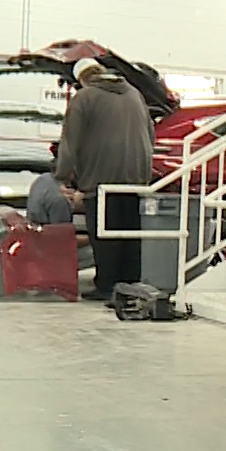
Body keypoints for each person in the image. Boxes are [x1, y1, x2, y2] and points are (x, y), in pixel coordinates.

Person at [54, 58, 153, 300]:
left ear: (81, 79)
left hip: (101, 178)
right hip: (136, 178)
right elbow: (150, 133)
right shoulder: (134, 93)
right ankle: (131, 284)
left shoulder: (84, 97)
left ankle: (107, 285)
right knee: (130, 233)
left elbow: (70, 141)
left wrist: (62, 177)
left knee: (104, 235)